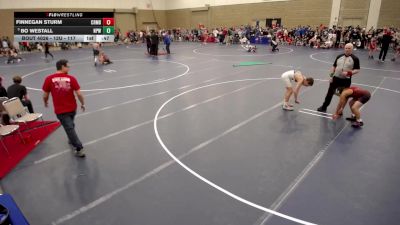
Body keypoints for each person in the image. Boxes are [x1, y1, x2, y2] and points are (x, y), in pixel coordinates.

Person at [42, 59, 86, 157]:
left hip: (61, 110)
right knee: (70, 126)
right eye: (68, 66)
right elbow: (79, 94)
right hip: (72, 108)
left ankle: (76, 144)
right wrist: (82, 103)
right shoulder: (71, 78)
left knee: (69, 127)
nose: (69, 68)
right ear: (62, 67)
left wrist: (45, 102)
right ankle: (75, 143)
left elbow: (45, 95)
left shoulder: (49, 79)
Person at [317, 43, 360, 112]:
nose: (347, 49)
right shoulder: (339, 56)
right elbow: (333, 67)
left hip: (346, 80)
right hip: (335, 78)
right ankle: (324, 107)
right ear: (344, 48)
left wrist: (349, 73)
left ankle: (340, 110)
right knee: (329, 93)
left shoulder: (355, 59)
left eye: (349, 48)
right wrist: (331, 76)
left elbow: (357, 70)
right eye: (346, 48)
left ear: (352, 49)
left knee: (343, 96)